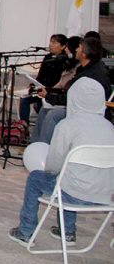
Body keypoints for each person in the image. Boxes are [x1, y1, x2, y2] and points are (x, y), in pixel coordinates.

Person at [8, 78, 114, 250]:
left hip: (74, 194)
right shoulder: (109, 127)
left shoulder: (67, 125)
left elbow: (53, 166)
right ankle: (67, 232)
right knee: (70, 177)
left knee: (39, 178)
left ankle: (25, 231)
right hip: (105, 196)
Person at [34, 36, 111, 144]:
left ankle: (44, 147)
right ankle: (37, 145)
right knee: (45, 110)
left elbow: (70, 98)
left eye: (79, 47)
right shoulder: (86, 68)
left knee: (53, 115)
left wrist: (48, 96)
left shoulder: (90, 74)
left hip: (88, 113)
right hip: (80, 108)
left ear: (84, 54)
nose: (76, 50)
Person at [18, 34, 69, 123]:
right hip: (41, 88)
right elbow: (41, 75)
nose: (51, 45)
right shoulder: (48, 57)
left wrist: (49, 90)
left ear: (63, 46)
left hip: (54, 91)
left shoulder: (66, 60)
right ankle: (24, 125)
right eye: (50, 42)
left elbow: (62, 81)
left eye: (54, 42)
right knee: (24, 99)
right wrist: (34, 84)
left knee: (42, 104)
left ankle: (43, 123)